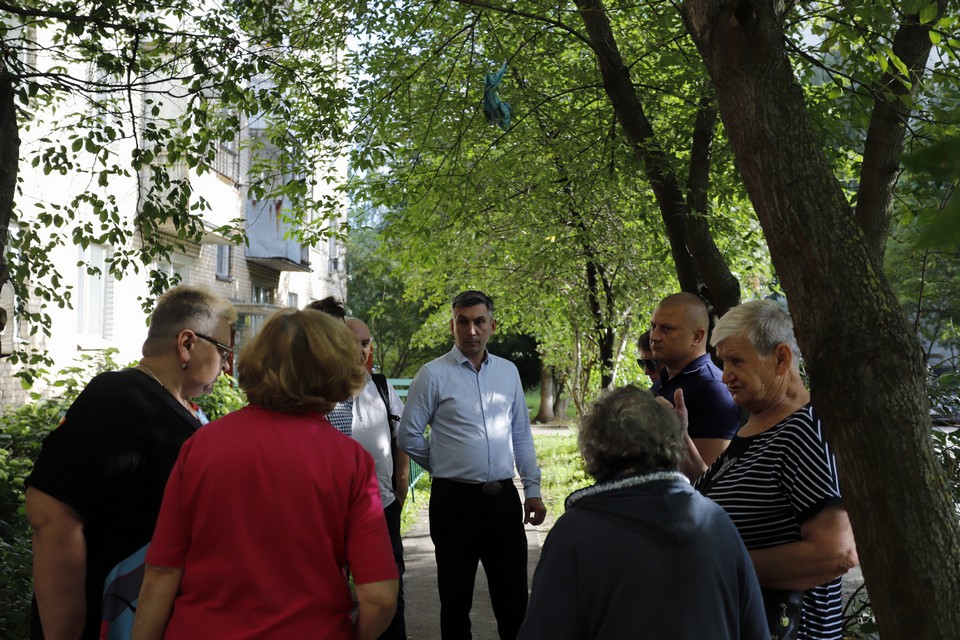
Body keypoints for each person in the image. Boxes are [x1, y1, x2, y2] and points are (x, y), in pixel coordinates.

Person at [132, 308, 399, 639]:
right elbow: (380, 598)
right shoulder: (350, 461)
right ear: (334, 370)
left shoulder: (201, 446)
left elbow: (161, 571)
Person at [25, 285, 237, 639]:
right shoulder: (117, 399)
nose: (228, 366)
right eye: (224, 350)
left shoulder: (182, 409)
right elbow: (52, 516)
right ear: (187, 343)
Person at [517, 385, 768, 640]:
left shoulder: (575, 532)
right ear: (674, 442)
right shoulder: (717, 522)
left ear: (594, 448)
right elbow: (756, 631)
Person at [685, 299, 858, 640]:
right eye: (723, 362)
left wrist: (720, 566)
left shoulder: (804, 432)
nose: (725, 375)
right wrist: (680, 444)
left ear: (781, 359)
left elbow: (837, 552)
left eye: (737, 361)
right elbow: (729, 497)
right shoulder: (759, 424)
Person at [398, 290, 546, 640]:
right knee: (455, 602)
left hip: (503, 500)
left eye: (479, 321)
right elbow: (408, 435)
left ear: (492, 325)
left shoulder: (508, 373)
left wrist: (533, 489)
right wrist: (444, 465)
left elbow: (521, 436)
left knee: (513, 601)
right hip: (454, 503)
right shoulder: (432, 375)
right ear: (452, 326)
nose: (471, 330)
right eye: (462, 322)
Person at [346, 316, 410, 640]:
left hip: (382, 507)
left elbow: (403, 438)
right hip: (336, 513)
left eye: (365, 343)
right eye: (352, 342)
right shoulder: (322, 394)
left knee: (390, 593)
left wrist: (400, 491)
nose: (360, 350)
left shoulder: (381, 388)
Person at [649, 291, 740, 465]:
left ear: (696, 337)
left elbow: (710, 477)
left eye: (667, 329)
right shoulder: (664, 379)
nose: (654, 336)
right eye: (654, 326)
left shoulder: (713, 389)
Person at [307, 296, 353, 435]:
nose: (341, 342)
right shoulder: (292, 390)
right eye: (331, 334)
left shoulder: (345, 390)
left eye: (343, 334)